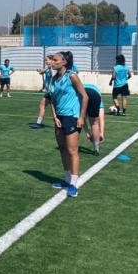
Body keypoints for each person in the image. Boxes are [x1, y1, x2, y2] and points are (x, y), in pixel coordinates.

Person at [48, 50, 89, 198]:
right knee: (62, 148)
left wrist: (81, 117)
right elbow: (52, 98)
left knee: (72, 150)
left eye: (55, 60)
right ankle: (66, 179)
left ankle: (73, 184)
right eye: (52, 60)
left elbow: (85, 97)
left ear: (64, 62)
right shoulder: (53, 79)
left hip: (72, 117)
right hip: (59, 117)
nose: (52, 62)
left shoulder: (72, 76)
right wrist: (54, 116)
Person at [29, 55, 55, 128]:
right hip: (48, 92)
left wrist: (51, 67)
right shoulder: (48, 68)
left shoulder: (55, 68)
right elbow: (40, 72)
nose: (45, 61)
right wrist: (47, 68)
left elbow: (54, 76)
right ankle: (38, 123)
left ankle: (58, 123)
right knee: (41, 106)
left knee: (54, 109)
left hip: (52, 92)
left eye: (46, 60)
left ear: (51, 60)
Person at [82, 83, 106, 155]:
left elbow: (82, 118)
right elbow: (101, 118)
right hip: (94, 95)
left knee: (81, 116)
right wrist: (101, 134)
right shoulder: (97, 94)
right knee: (94, 123)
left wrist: (87, 133)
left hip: (82, 93)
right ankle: (96, 149)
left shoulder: (82, 86)